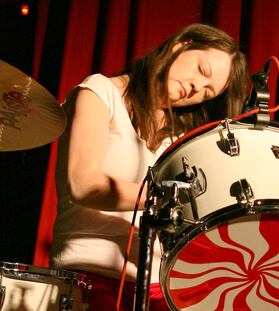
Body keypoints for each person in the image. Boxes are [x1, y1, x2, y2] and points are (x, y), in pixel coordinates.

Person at [49, 23, 249, 310]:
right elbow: (84, 185)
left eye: (207, 93)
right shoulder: (100, 91)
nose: (196, 87)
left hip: (156, 286)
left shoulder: (181, 138)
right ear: (182, 44)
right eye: (201, 71)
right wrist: (168, 197)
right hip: (87, 273)